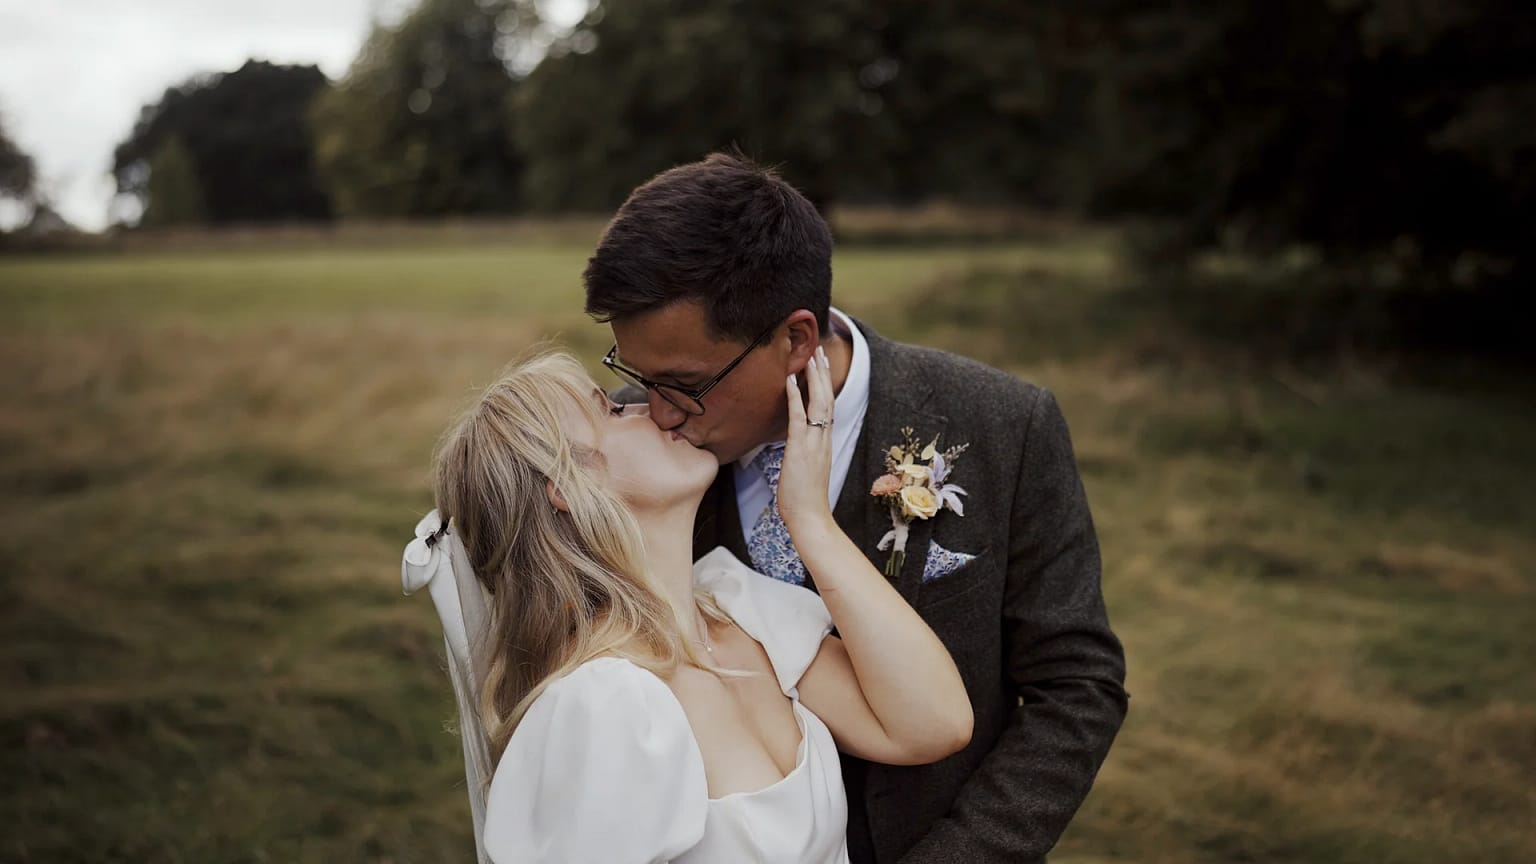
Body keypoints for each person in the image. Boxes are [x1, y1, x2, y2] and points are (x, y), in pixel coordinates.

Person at [584, 153, 1129, 863]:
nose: (656, 411)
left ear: (796, 339)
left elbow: (1075, 687)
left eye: (684, 383)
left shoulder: (1002, 424)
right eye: (637, 375)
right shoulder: (631, 454)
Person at [429, 350, 973, 863]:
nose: (653, 410)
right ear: (566, 487)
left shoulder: (741, 612)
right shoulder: (602, 704)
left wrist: (810, 522)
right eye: (614, 410)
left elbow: (933, 725)